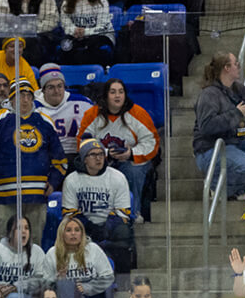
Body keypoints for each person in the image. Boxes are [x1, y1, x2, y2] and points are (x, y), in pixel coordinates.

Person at [0, 79, 66, 250]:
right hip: (4, 196)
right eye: (20, 95)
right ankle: (4, 277)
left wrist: (54, 181)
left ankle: (33, 276)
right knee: (3, 247)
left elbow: (60, 160)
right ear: (11, 98)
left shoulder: (45, 121)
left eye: (28, 95)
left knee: (34, 247)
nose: (24, 99)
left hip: (35, 196)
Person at [192, 51, 245, 200]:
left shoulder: (238, 89)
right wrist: (236, 114)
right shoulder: (209, 94)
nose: (238, 67)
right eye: (236, 64)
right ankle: (216, 185)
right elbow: (207, 126)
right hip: (211, 148)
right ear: (226, 68)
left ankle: (242, 189)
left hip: (236, 142)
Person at [78, 78, 162, 221]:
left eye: (121, 92)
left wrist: (131, 154)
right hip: (101, 160)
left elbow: (152, 142)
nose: (118, 96)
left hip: (131, 161)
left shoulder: (138, 113)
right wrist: (104, 154)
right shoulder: (92, 114)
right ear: (106, 95)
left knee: (132, 171)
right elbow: (82, 142)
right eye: (113, 92)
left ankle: (132, 213)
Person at [62, 138, 136, 273]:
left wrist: (106, 228)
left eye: (101, 154)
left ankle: (121, 278)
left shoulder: (117, 177)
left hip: (110, 227)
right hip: (83, 226)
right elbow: (69, 214)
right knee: (70, 229)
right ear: (84, 159)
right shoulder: (72, 179)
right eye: (93, 154)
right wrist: (89, 227)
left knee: (123, 231)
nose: (98, 158)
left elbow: (123, 213)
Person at [38, 214, 116, 298]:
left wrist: (87, 287)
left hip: (91, 296)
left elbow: (108, 277)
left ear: (82, 233)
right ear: (62, 234)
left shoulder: (93, 249)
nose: (73, 233)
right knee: (65, 283)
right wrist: (57, 280)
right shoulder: (52, 254)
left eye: (77, 230)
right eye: (68, 230)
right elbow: (44, 285)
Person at [35, 65, 93, 166]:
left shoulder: (83, 102)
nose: (56, 91)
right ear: (43, 90)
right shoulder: (34, 108)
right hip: (47, 157)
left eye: (59, 86)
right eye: (51, 87)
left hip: (77, 155)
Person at [58, 0, 116, 65]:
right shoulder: (67, 1)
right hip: (76, 36)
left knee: (93, 46)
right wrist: (74, 30)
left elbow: (103, 25)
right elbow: (65, 23)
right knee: (66, 46)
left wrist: (85, 32)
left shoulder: (101, 0)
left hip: (101, 35)